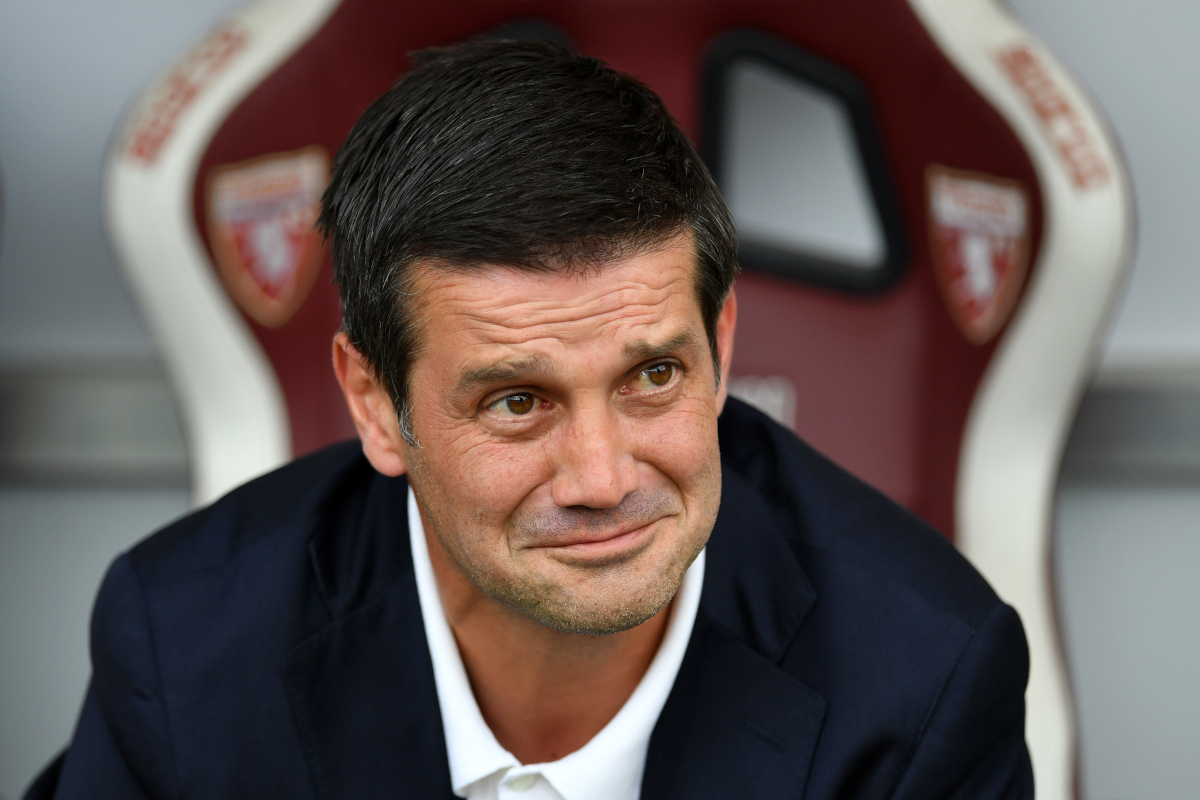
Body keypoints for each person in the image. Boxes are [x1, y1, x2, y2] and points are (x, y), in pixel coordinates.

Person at [31, 39, 1032, 800]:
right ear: (375, 400)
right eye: (518, 400)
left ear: (721, 347)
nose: (600, 475)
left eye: (651, 376)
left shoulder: (922, 682)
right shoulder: (189, 647)